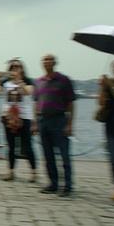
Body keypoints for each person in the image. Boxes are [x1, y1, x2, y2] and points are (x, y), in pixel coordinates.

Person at [34, 54, 76, 197]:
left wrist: (70, 124)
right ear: (42, 63)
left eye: (50, 59)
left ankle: (68, 186)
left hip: (59, 120)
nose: (47, 61)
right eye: (44, 59)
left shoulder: (64, 80)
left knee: (64, 155)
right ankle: (53, 183)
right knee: (48, 155)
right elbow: (36, 103)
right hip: (43, 121)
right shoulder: (38, 82)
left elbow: (71, 103)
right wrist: (35, 123)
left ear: (55, 62)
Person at [0, 59, 37, 182]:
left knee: (27, 146)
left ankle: (34, 172)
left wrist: (18, 81)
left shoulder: (27, 81)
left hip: (24, 117)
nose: (15, 69)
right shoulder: (6, 82)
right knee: (11, 146)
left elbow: (28, 92)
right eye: (12, 67)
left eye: (18, 67)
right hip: (8, 117)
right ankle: (10, 172)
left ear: (22, 69)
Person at [98, 59, 114, 201]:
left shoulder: (112, 84)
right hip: (111, 126)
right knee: (113, 158)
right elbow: (101, 103)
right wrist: (102, 87)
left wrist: (111, 85)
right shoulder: (109, 83)